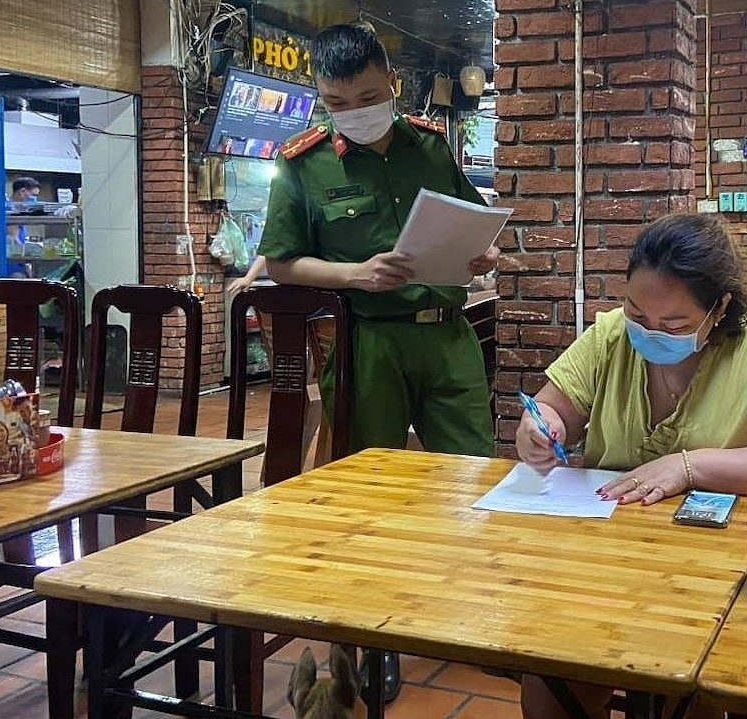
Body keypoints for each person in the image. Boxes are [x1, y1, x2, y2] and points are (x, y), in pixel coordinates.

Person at [257, 23, 499, 702]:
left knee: (472, 475)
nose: (354, 110)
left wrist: (484, 254)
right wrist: (354, 273)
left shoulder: (428, 143)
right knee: (372, 493)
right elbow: (280, 260)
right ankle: (368, 641)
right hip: (368, 341)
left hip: (449, 336)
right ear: (320, 95)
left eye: (366, 95)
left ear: (391, 83)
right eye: (337, 102)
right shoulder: (304, 164)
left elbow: (471, 219)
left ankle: (465, 615)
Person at [515, 214, 747, 719]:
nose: (647, 332)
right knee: (549, 670)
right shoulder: (611, 338)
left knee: (694, 685)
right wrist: (541, 429)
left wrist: (689, 466)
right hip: (602, 562)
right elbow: (554, 408)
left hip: (715, 573)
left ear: (720, 307)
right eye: (636, 312)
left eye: (673, 325)